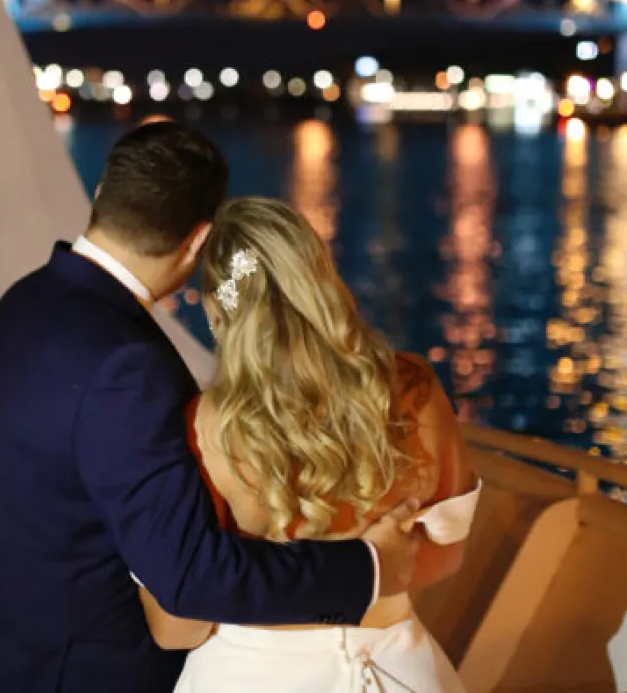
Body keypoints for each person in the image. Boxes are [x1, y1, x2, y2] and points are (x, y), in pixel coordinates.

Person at [0, 123, 422, 693]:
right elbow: (187, 576)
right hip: (89, 676)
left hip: (5, 656)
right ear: (200, 241)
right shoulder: (126, 364)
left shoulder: (22, 302)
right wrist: (369, 569)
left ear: (103, 191)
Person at [138, 197, 481, 692]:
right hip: (394, 668)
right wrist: (372, 574)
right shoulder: (414, 387)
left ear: (218, 311)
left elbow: (176, 627)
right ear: (322, 280)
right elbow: (446, 555)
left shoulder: (206, 427)